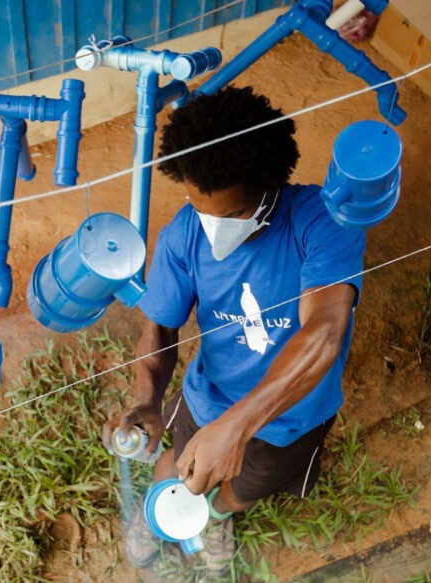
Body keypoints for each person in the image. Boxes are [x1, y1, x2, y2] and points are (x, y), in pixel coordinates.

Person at [102, 86, 366, 576]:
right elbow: (160, 327)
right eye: (200, 208)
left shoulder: (322, 223)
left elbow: (326, 330)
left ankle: (216, 517)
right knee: (182, 468)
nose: (212, 227)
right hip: (209, 399)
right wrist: (146, 398)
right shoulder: (185, 233)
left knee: (249, 484)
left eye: (229, 215)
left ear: (269, 186)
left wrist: (239, 427)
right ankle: (172, 513)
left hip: (295, 415)